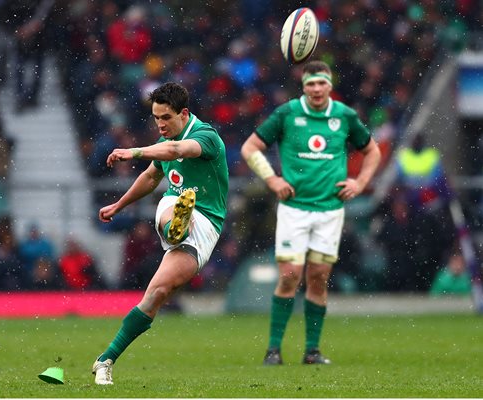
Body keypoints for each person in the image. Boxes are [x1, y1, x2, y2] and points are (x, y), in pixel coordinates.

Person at [240, 60, 381, 365]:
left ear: (330, 86)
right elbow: (250, 148)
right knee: (290, 276)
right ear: (303, 87)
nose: (316, 89)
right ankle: (274, 349)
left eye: (322, 83)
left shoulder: (344, 116)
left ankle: (312, 351)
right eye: (311, 84)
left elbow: (373, 151)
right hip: (294, 209)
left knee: (318, 279)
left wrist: (360, 182)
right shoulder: (287, 113)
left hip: (330, 211)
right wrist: (272, 178)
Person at [91, 82, 229, 385]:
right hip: (176, 204)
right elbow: (152, 175)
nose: (160, 124)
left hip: (207, 226)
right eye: (156, 118)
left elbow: (178, 149)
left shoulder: (206, 137)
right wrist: (119, 204)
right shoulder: (163, 141)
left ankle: (105, 359)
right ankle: (176, 225)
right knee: (176, 207)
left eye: (166, 117)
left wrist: (133, 151)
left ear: (184, 114)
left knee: (156, 295)